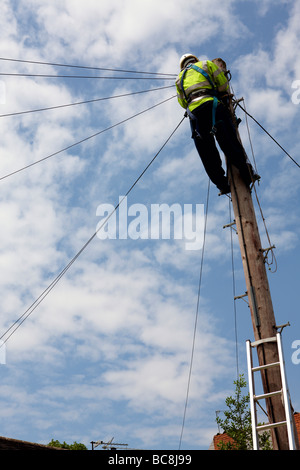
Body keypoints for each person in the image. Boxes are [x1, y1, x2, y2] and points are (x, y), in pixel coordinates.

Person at [175, 53, 259, 194]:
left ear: (182, 65)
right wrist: (224, 98)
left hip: (194, 113)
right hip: (213, 105)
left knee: (206, 151)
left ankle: (221, 183)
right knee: (228, 140)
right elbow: (223, 84)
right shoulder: (206, 64)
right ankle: (246, 172)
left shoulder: (179, 78)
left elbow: (182, 102)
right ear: (195, 59)